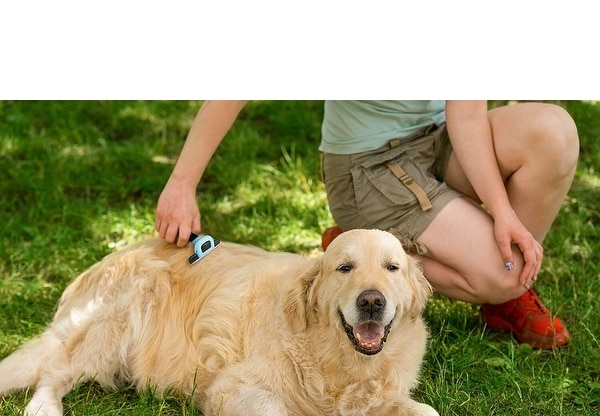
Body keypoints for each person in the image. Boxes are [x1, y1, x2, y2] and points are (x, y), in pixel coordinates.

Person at [155, 100, 579, 350]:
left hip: (439, 137)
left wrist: (504, 215)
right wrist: (181, 183)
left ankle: (507, 289)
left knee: (553, 131)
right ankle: (362, 252)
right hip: (368, 165)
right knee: (502, 275)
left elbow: (466, 120)